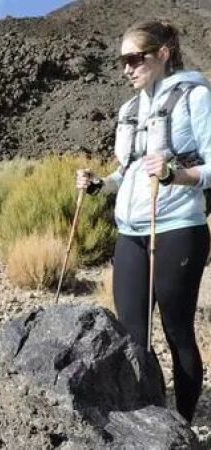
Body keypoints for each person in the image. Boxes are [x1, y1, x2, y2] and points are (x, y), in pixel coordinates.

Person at [76, 19, 211, 423]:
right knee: (132, 334)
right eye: (123, 61)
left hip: (177, 228)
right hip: (131, 231)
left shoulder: (196, 96)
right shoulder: (130, 108)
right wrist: (100, 184)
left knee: (177, 332)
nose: (127, 68)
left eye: (135, 58)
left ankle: (185, 422)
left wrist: (177, 175)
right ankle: (143, 416)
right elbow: (129, 170)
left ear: (164, 54)